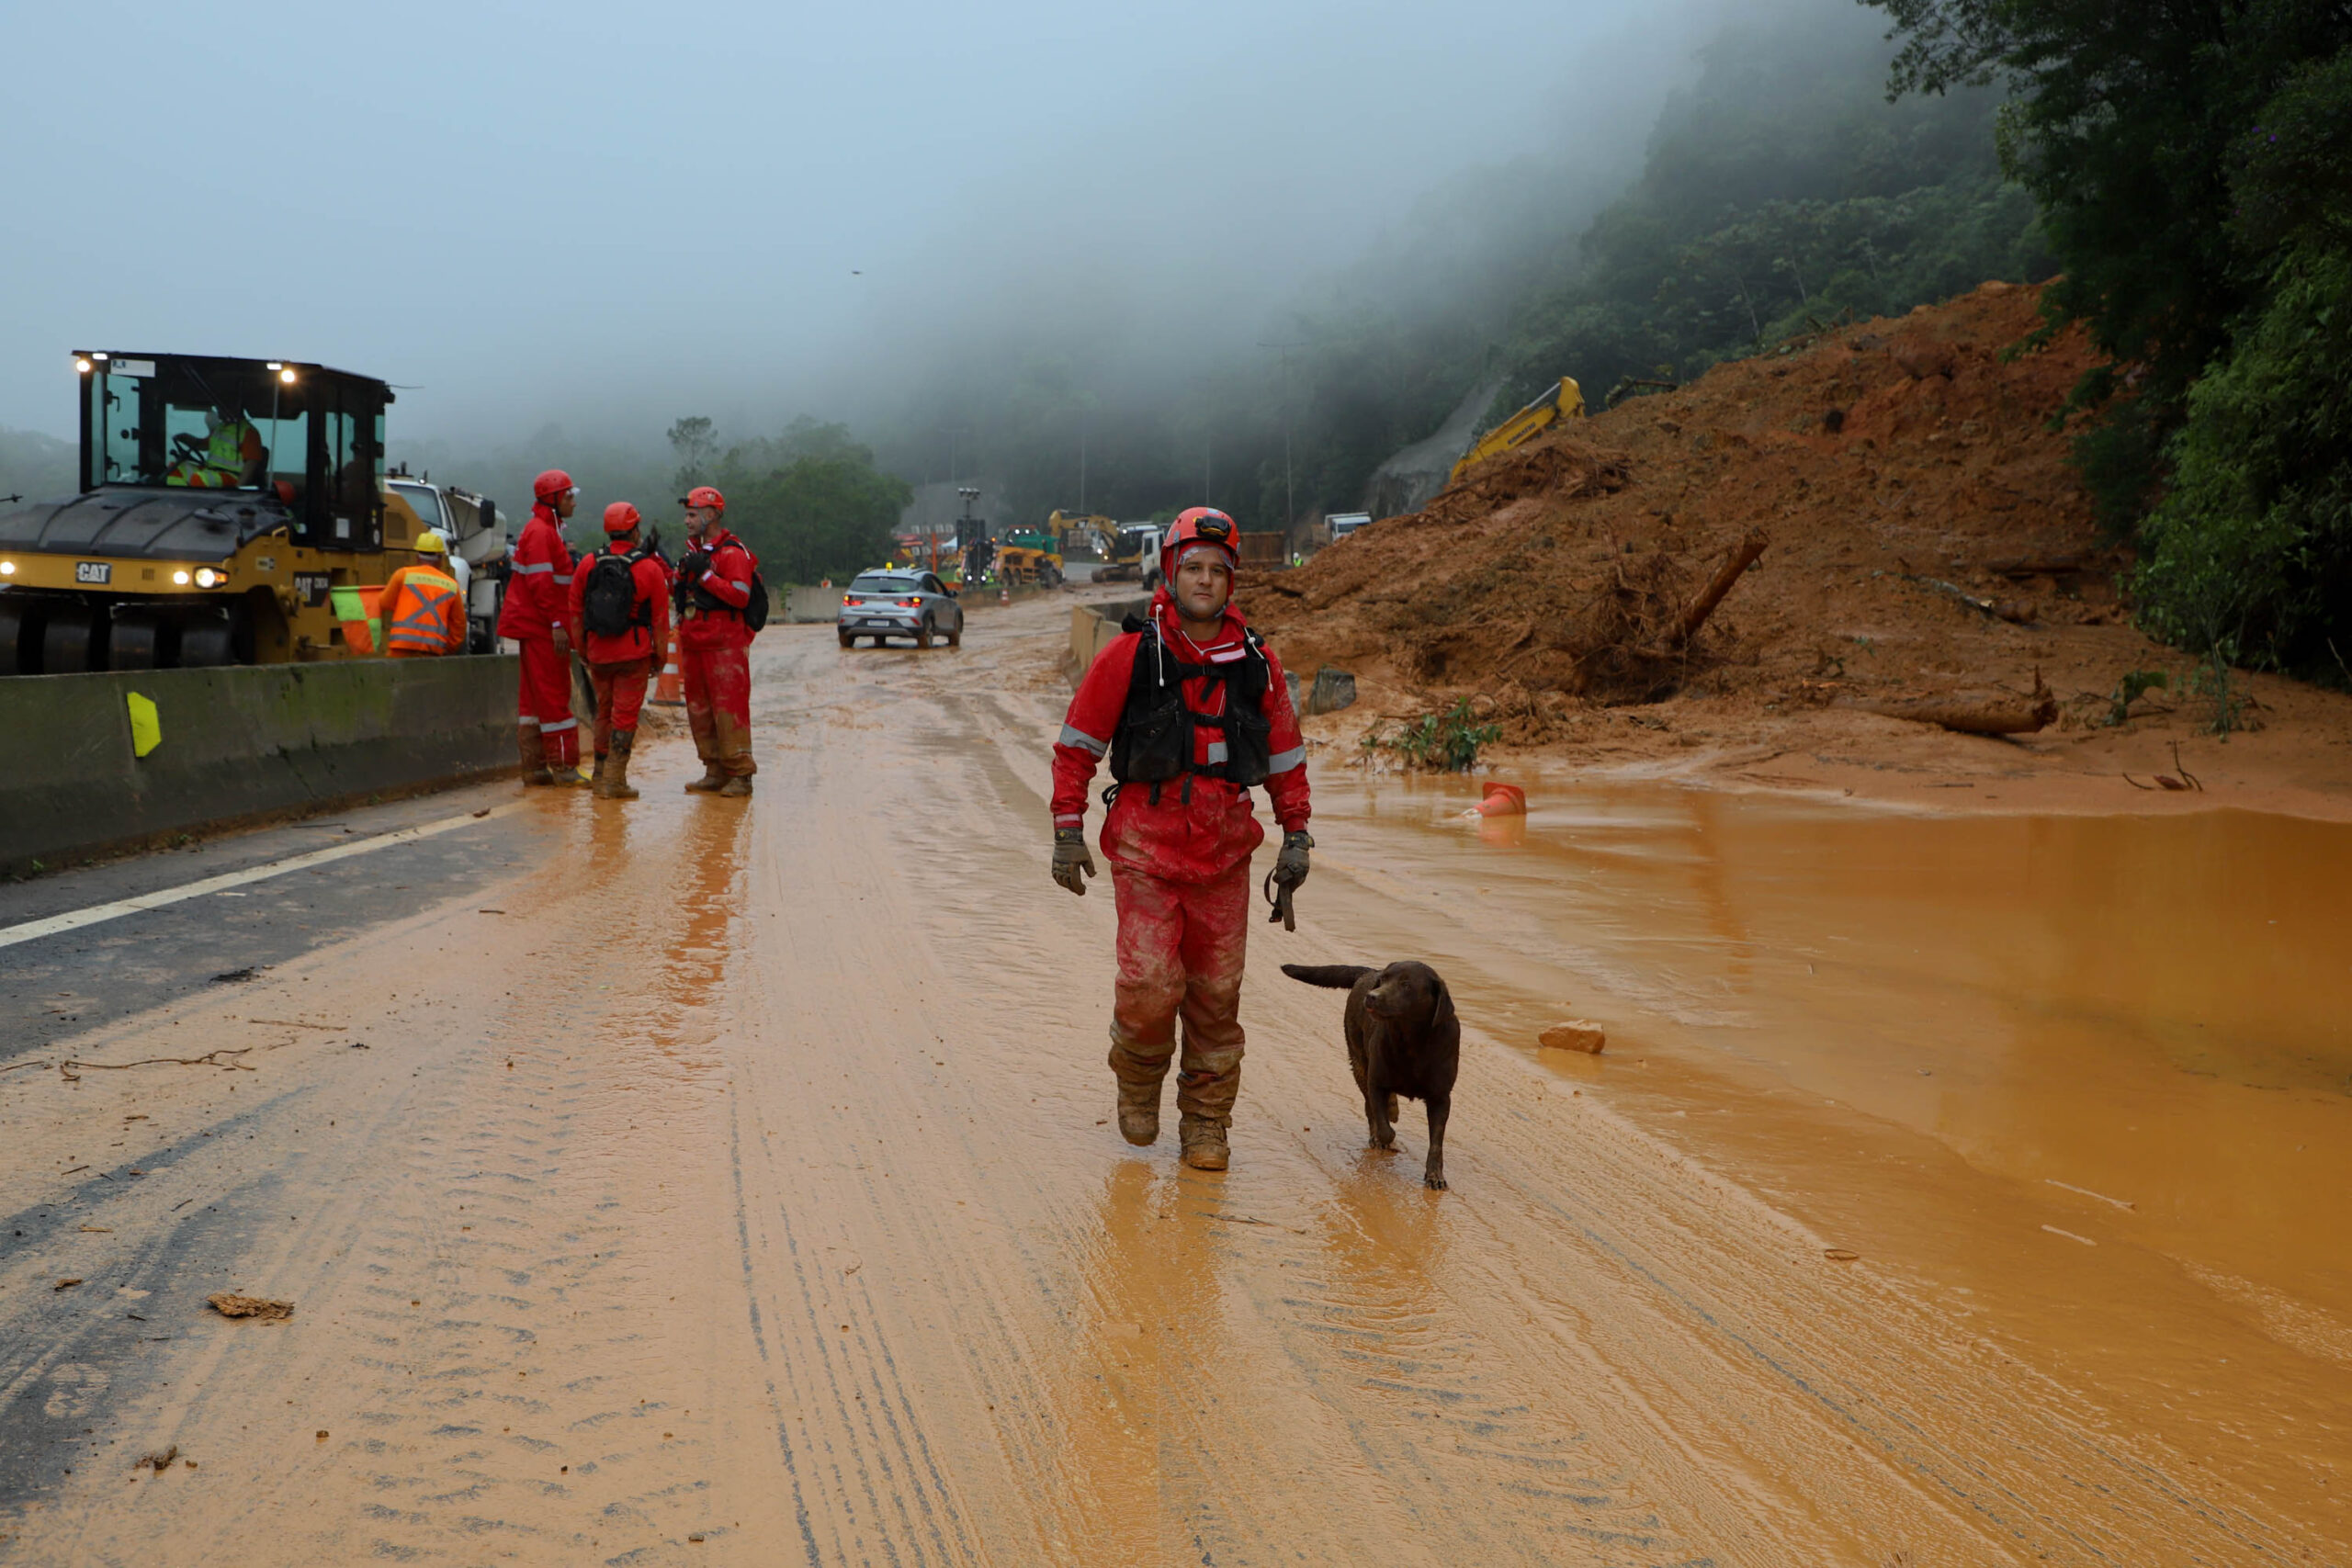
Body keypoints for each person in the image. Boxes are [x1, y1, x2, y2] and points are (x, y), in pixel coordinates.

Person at [1047, 507, 1313, 1172]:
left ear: (1231, 582)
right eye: (1192, 567)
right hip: (1145, 849)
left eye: (1215, 570)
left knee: (1217, 995)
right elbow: (1077, 745)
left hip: (1224, 853)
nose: (1203, 580)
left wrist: (1297, 835)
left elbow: (1285, 756)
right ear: (1171, 572)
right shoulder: (1132, 655)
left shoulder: (1257, 662)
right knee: (1148, 983)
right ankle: (1137, 1086)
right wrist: (1065, 830)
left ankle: (1206, 1123)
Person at [567, 502, 672, 801]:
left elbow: (575, 610)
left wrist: (583, 649)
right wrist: (660, 658)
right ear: (636, 531)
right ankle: (614, 780)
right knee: (624, 716)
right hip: (634, 654)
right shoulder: (649, 568)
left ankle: (600, 776)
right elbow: (660, 620)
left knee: (603, 712)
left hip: (599, 653)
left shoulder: (587, 564)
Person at [498, 468, 585, 786]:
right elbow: (542, 584)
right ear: (554, 499)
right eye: (569, 497)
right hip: (544, 628)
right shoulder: (541, 532)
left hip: (539, 626)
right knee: (554, 696)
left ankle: (535, 768)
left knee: (534, 701)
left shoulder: (547, 530)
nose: (574, 503)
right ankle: (564, 767)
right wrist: (559, 624)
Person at [673, 485, 761, 796]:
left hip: (725, 645)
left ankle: (741, 774)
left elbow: (740, 596)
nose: (687, 520)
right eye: (687, 514)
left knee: (729, 709)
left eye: (692, 514)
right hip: (696, 641)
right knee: (699, 710)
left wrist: (706, 577)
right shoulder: (694, 553)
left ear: (711, 515)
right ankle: (714, 769)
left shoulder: (733, 553)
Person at [374, 533, 467, 658]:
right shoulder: (451, 586)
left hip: (401, 648)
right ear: (440, 559)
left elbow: (384, 603)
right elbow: (459, 624)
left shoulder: (402, 575)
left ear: (417, 557)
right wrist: (449, 648)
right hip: (432, 651)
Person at [165, 408, 265, 489]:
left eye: (220, 405)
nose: (218, 409)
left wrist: (238, 488)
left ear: (234, 405)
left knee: (199, 479)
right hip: (210, 471)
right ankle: (178, 500)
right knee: (174, 468)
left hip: (231, 475)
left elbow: (251, 463)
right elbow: (205, 445)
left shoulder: (249, 432)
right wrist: (187, 439)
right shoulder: (221, 427)